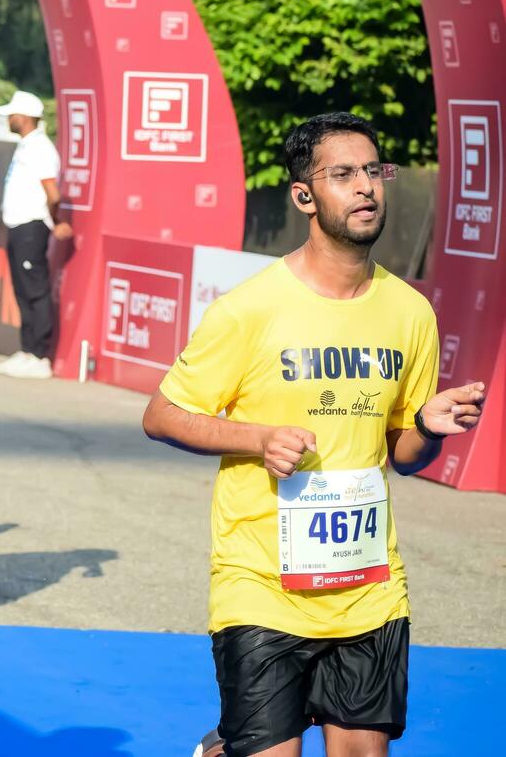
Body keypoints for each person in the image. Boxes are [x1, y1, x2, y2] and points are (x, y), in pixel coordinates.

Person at [142, 112, 487, 757]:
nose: (366, 188)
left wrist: (429, 430)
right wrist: (258, 438)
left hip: (369, 588)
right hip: (263, 585)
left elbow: (403, 456)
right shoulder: (249, 309)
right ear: (304, 195)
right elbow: (161, 415)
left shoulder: (411, 313)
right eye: (343, 174)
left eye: (374, 171)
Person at [0, 89, 69, 379]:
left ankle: (40, 356)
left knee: (35, 291)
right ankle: (27, 350)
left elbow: (53, 193)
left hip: (32, 227)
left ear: (23, 117)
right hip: (19, 226)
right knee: (23, 291)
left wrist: (57, 220)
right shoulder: (27, 145)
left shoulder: (40, 148)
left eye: (12, 114)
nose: (9, 118)